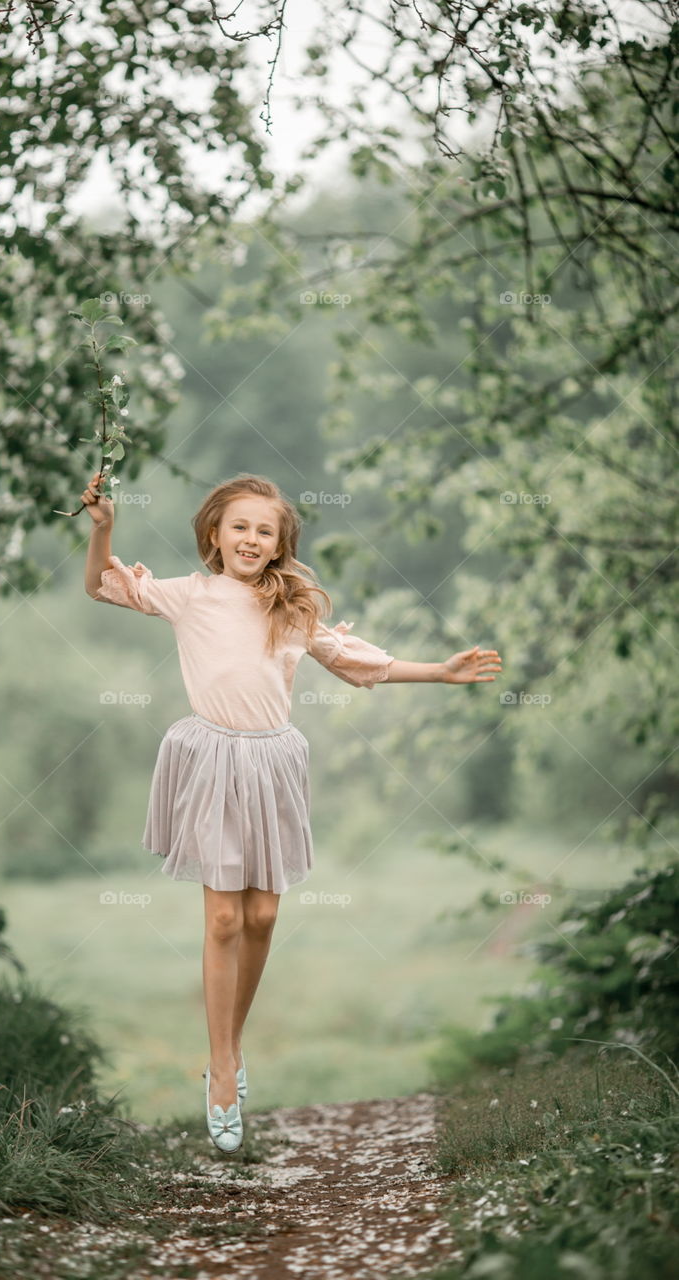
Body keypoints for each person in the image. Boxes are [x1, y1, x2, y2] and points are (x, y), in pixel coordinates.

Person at [82, 470, 502, 1153]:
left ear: (280, 544)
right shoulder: (189, 596)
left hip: (272, 763)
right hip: (212, 760)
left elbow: (355, 660)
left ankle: (235, 1042)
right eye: (239, 526)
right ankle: (220, 1067)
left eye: (264, 531)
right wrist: (103, 530)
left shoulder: (292, 607)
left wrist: (438, 671)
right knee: (223, 917)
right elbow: (104, 584)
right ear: (214, 534)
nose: (251, 538)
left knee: (264, 914)